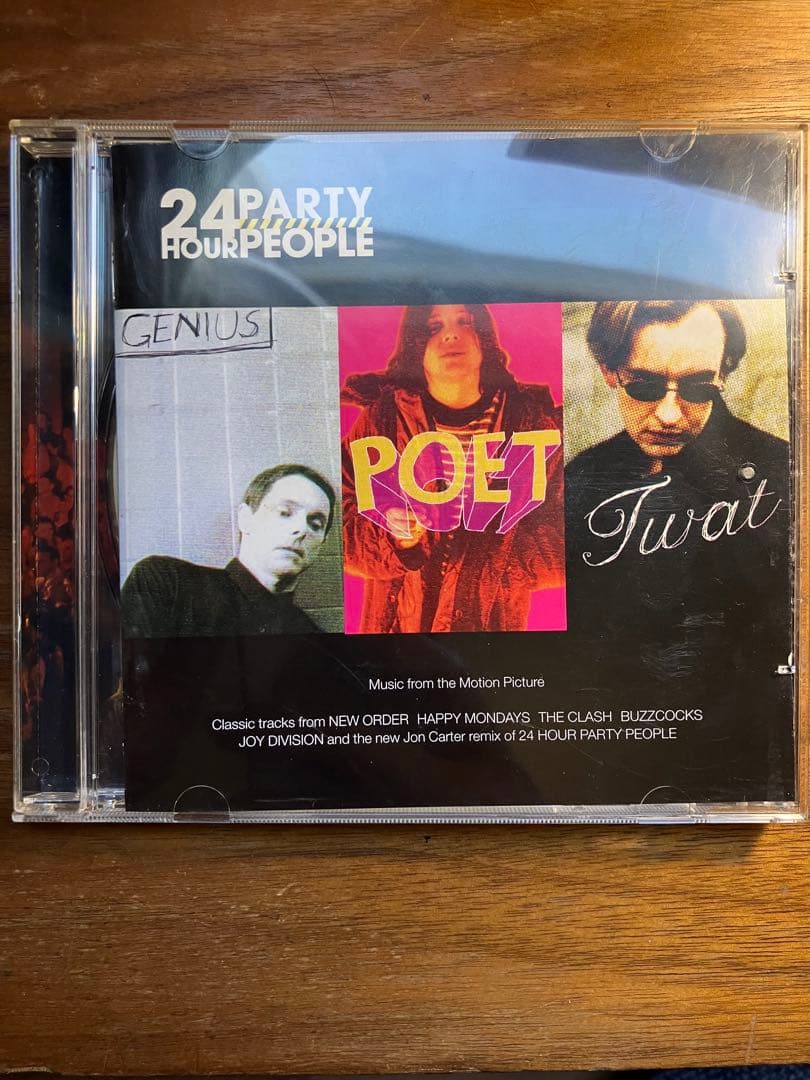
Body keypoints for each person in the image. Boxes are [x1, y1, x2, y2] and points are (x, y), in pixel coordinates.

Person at [565, 300, 791, 687]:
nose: (669, 415)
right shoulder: (580, 477)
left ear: (724, 371)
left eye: (698, 388)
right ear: (608, 370)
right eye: (644, 386)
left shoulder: (783, 473)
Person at [341, 303, 564, 633]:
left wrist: (501, 562)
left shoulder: (532, 424)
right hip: (397, 628)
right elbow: (334, 524)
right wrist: (393, 540)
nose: (451, 334)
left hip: (491, 630)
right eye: (435, 327)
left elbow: (571, 531)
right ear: (417, 347)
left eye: (465, 322)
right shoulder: (383, 420)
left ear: (484, 341)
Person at [121, 464, 335, 637]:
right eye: (284, 512)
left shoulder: (313, 638)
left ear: (322, 543)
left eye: (315, 524)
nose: (302, 529)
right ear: (246, 518)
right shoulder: (167, 582)